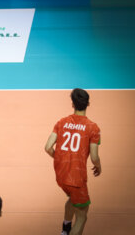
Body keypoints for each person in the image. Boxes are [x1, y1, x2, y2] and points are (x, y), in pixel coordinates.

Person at [44, 88, 102, 235]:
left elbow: (47, 147)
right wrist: (98, 166)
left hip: (61, 176)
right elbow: (94, 157)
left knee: (71, 199)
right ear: (88, 104)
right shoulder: (93, 128)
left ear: (72, 104)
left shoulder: (62, 122)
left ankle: (65, 229)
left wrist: (60, 159)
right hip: (76, 179)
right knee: (82, 216)